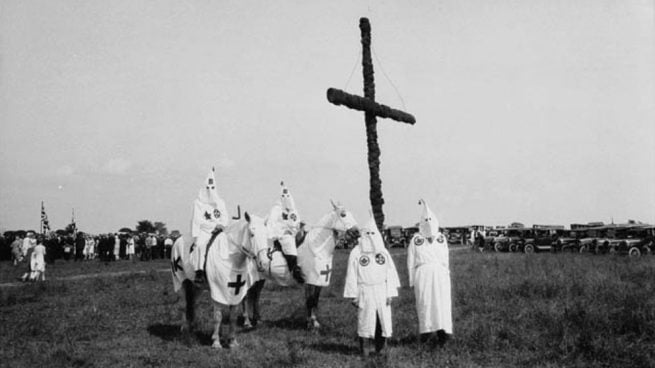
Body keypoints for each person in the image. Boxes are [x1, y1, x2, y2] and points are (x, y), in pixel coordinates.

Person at [344, 214, 400, 357]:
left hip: (381, 289)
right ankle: (365, 351)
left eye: (372, 233)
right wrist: (353, 296)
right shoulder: (356, 252)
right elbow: (351, 274)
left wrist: (390, 293)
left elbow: (390, 273)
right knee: (365, 320)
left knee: (382, 320)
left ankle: (381, 349)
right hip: (365, 290)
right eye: (367, 233)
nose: (369, 236)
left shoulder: (383, 252)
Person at [407, 199, 453, 348]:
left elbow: (446, 259)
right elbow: (411, 261)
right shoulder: (416, 240)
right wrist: (412, 281)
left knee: (442, 304)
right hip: (423, 275)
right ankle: (426, 334)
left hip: (440, 276)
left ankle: (443, 335)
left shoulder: (441, 239)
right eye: (425, 220)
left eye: (430, 220)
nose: (428, 222)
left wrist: (446, 275)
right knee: (425, 304)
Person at [190, 168, 229, 282]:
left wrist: (221, 225)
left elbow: (225, 217)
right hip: (204, 231)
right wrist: (197, 235)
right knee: (200, 247)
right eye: (208, 188)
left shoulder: (220, 202)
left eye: (212, 188)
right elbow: (197, 220)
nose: (210, 190)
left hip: (219, 231)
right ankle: (199, 271)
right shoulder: (198, 203)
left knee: (226, 247)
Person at [267, 181, 303, 283]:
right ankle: (294, 269)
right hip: (280, 235)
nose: (286, 198)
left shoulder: (292, 210)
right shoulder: (276, 209)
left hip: (292, 233)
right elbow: (271, 223)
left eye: (287, 195)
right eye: (284, 195)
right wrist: (276, 234)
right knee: (288, 243)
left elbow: (295, 222)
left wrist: (294, 230)